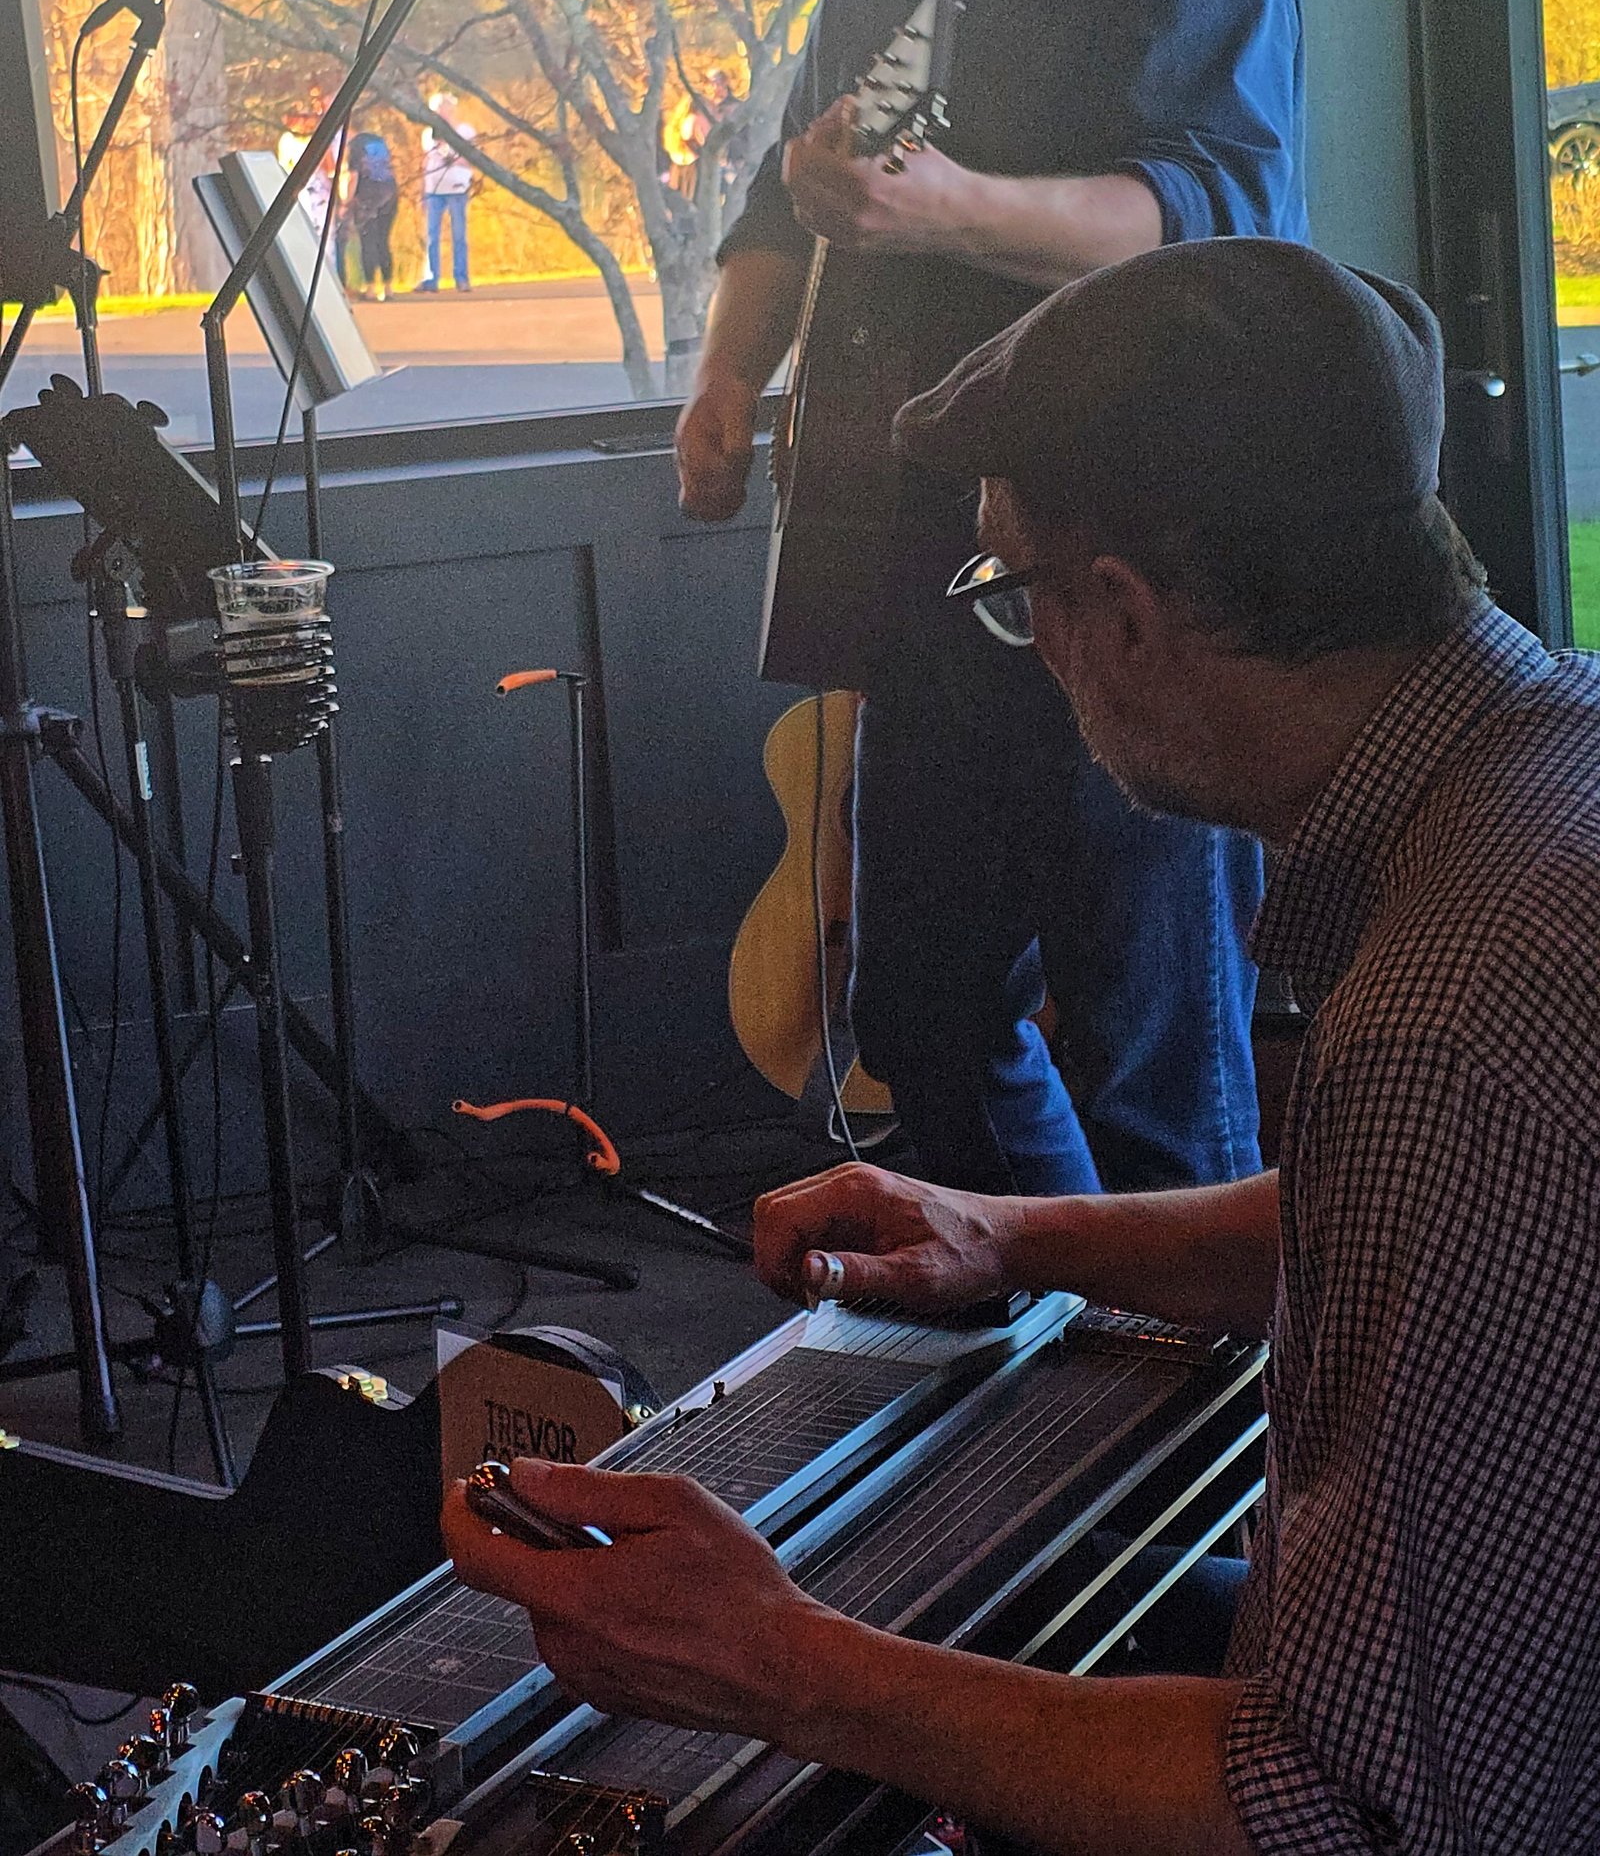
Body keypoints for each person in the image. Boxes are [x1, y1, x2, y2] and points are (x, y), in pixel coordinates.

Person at [447, 238, 1600, 1852]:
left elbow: (1337, 1813)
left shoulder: (1449, 1015)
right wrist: (1014, 1234)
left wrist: (775, 1661)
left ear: (1117, 611)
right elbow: (1425, 1226)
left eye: (1014, 594)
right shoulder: (1550, 776)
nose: (1030, 647)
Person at [675, 0, 1308, 1197]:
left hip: (1129, 581)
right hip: (930, 571)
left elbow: (1208, 214)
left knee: (1151, 1057)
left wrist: (948, 207)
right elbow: (792, 195)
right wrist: (730, 371)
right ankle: (1038, 1315)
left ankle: (1182, 1363)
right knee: (928, 1022)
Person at [418, 92, 477, 292]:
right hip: (434, 189)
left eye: (442, 109)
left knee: (459, 235)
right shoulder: (428, 134)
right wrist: (422, 192)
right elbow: (425, 163)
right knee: (432, 236)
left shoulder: (464, 131)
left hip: (457, 188)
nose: (439, 113)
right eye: (436, 110)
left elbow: (473, 159)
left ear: (450, 109)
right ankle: (431, 278)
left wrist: (451, 157)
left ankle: (461, 277)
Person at [344, 127, 399, 299]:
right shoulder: (379, 142)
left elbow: (354, 177)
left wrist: (346, 202)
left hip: (367, 199)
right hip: (389, 194)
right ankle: (388, 288)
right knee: (383, 241)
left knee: (367, 242)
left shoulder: (355, 146)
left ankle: (371, 289)